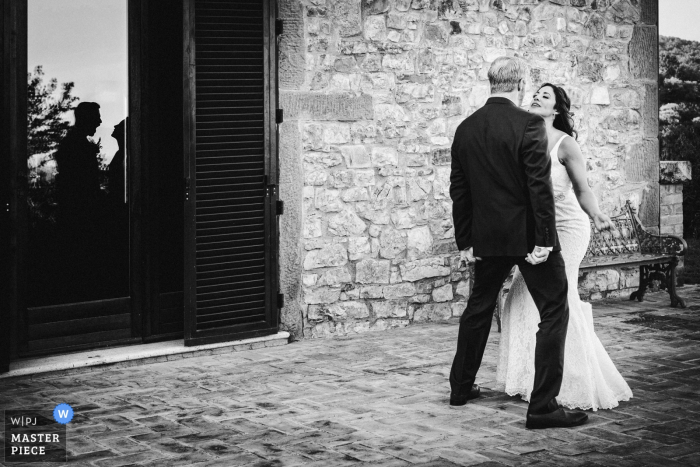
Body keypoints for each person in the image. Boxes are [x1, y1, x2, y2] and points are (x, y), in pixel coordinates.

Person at [449, 57, 588, 429]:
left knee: (478, 310)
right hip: (528, 239)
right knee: (554, 311)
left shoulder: (465, 128)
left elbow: (459, 191)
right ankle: (543, 408)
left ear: (491, 82)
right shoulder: (528, 124)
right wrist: (544, 240)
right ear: (520, 84)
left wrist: (466, 241)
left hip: (487, 239)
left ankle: (460, 388)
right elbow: (537, 186)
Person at [496, 83, 633, 411]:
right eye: (535, 94)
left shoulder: (565, 143)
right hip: (536, 232)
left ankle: (572, 383)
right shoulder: (522, 140)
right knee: (519, 297)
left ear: (557, 109)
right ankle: (530, 379)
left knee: (560, 298)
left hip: (569, 229)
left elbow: (583, 189)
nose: (535, 98)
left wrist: (597, 212)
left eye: (544, 96)